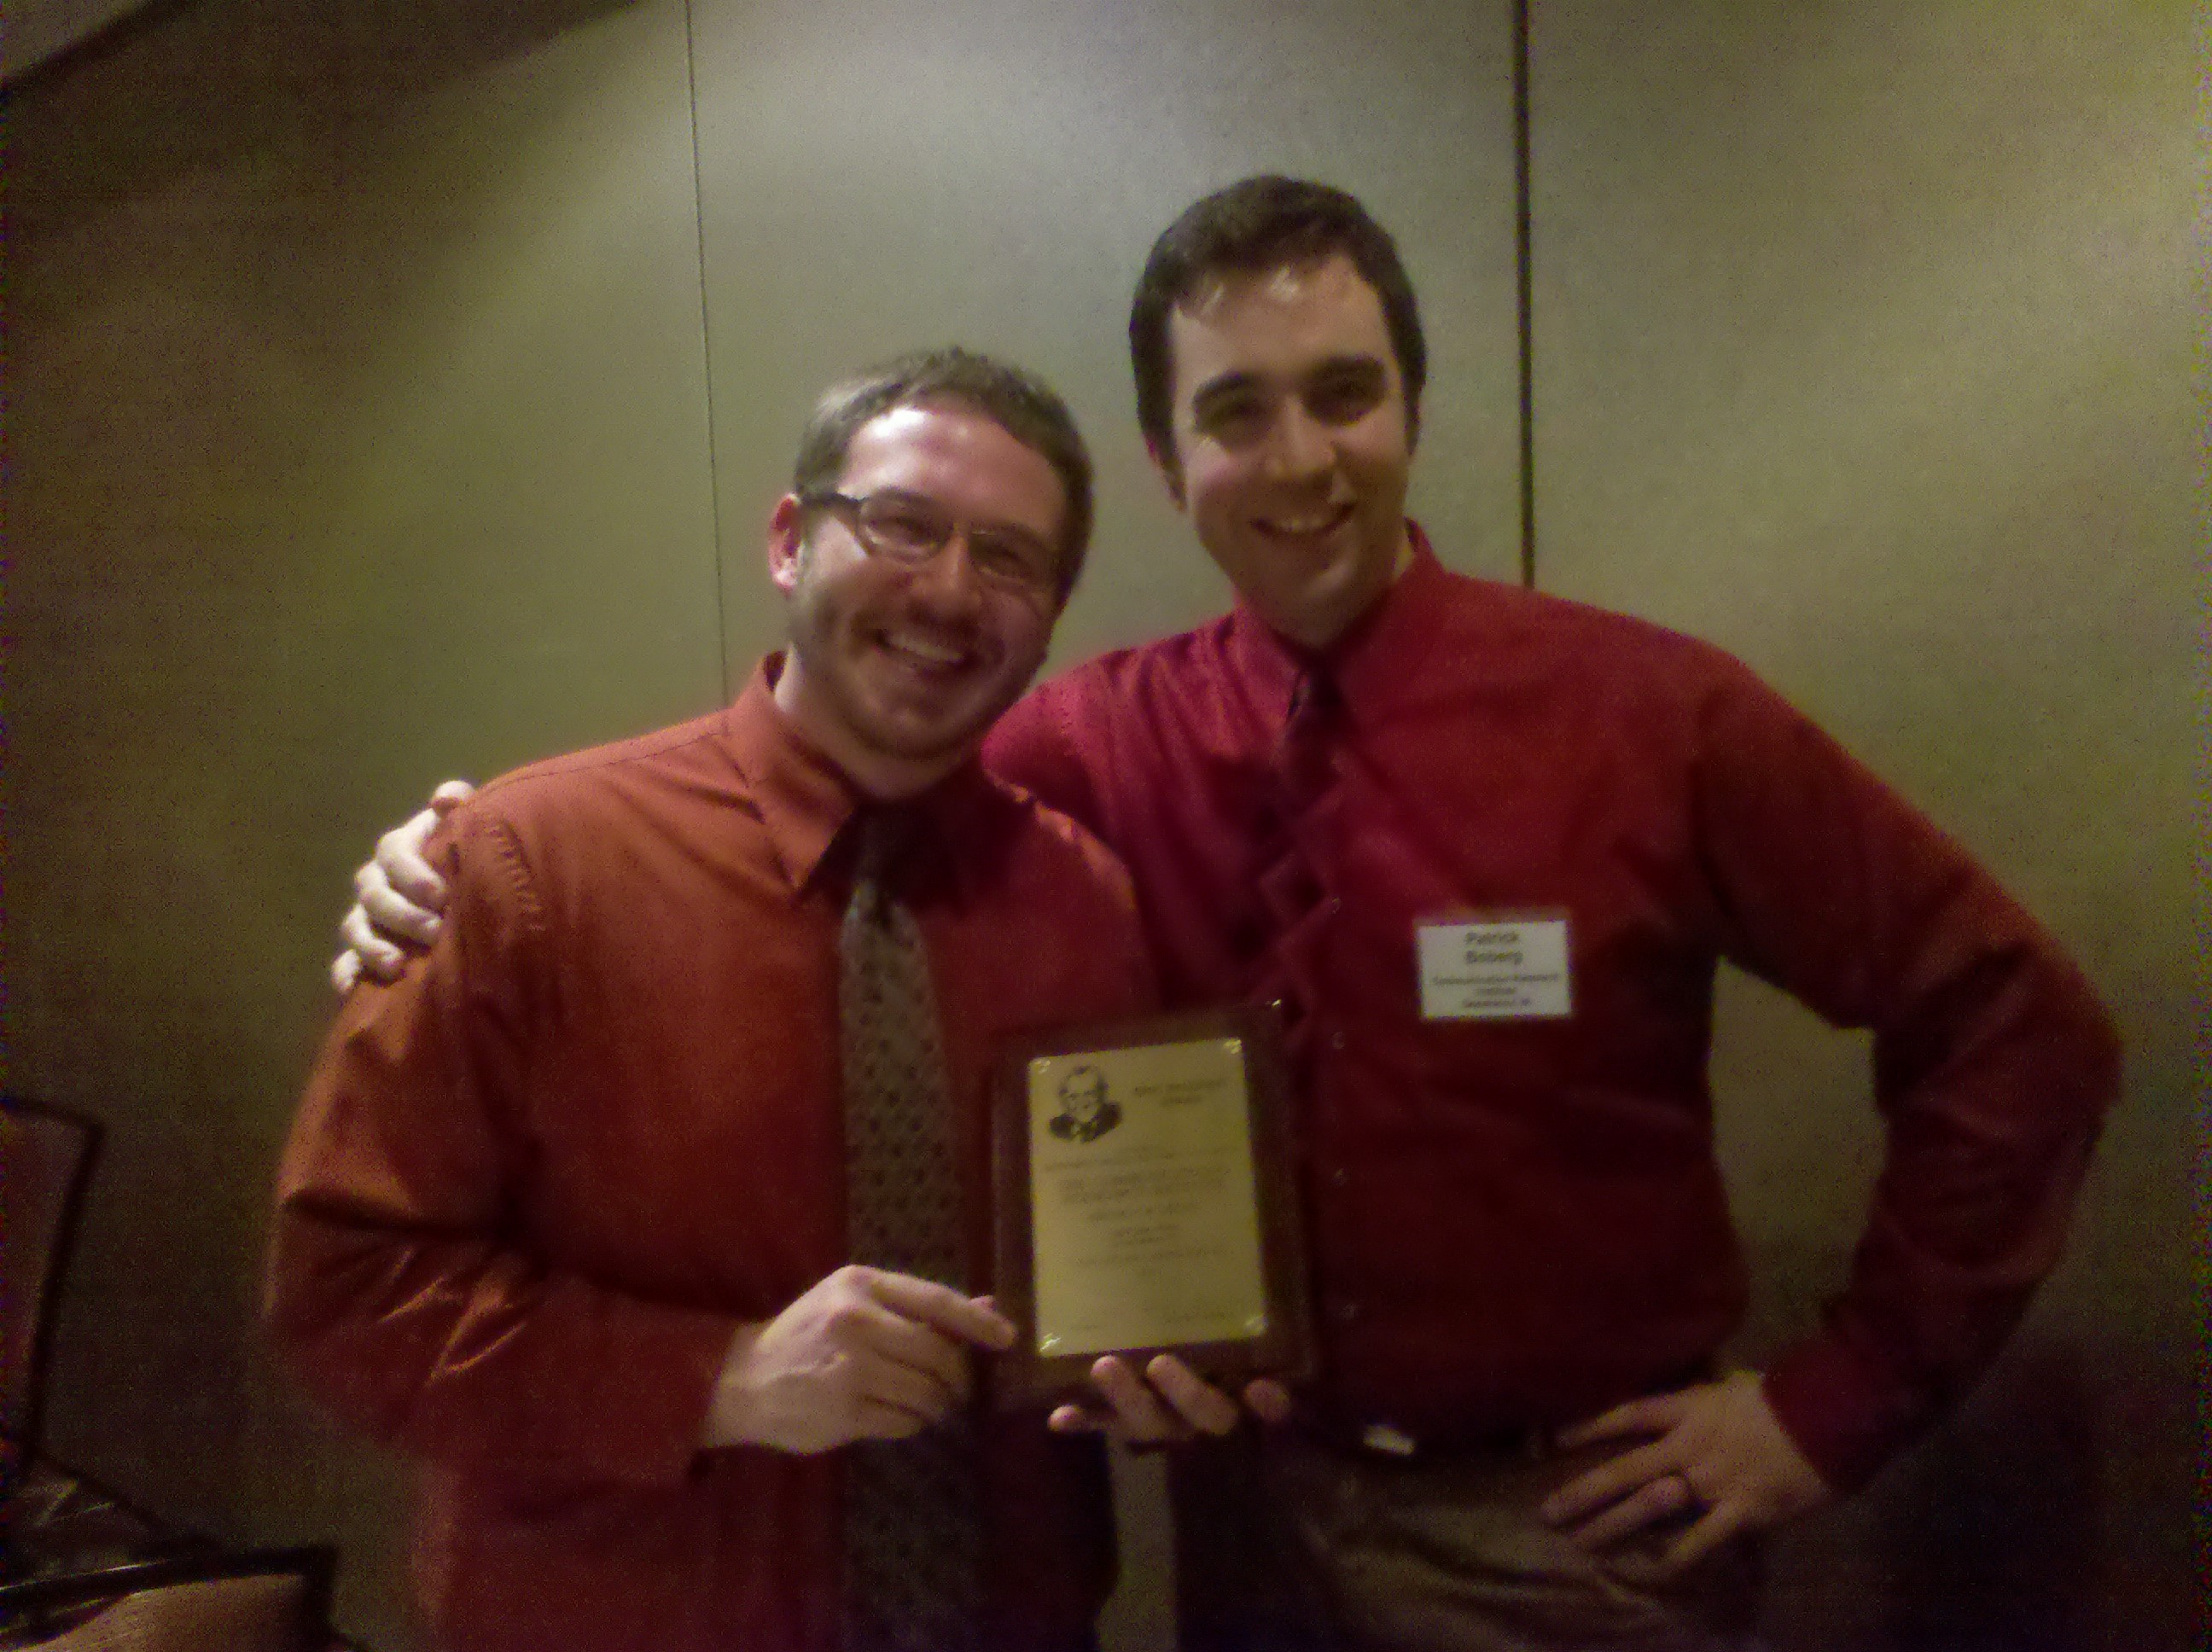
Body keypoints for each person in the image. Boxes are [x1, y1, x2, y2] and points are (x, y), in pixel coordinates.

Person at [332, 180, 2121, 1651]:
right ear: (1169, 458)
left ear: (1412, 410)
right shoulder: (1094, 741)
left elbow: (2017, 1023)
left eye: (1345, 393)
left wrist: (1830, 1404)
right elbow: (830, 758)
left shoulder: (1655, 717)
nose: (1300, 457)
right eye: (1236, 411)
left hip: (1567, 1540)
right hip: (1237, 1532)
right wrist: (459, 858)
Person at [269, 349, 1167, 1652]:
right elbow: (344, 1296)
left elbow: (1122, 1259)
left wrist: (1159, 1356)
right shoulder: (525, 869)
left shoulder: (1084, 902)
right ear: (792, 541)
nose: (949, 591)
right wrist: (719, 1381)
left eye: (1011, 559)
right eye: (903, 525)